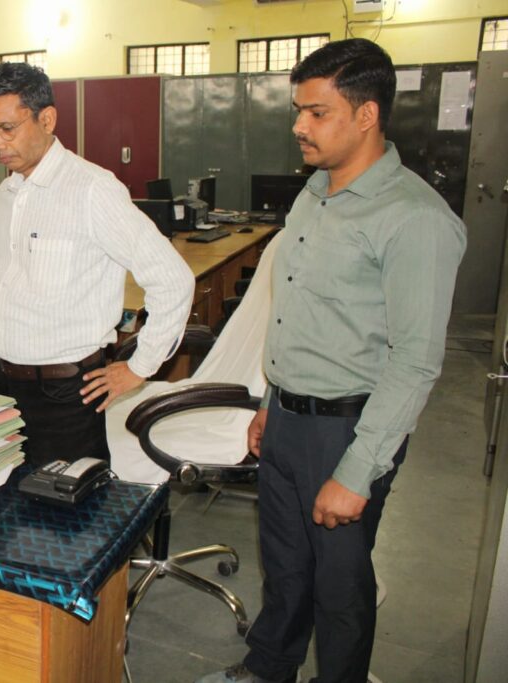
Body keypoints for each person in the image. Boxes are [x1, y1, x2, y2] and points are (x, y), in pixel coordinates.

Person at [197, 39, 466, 683]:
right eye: (299, 110)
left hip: (350, 428)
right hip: (288, 420)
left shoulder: (414, 219)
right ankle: (270, 668)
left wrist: (358, 471)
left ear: (367, 115)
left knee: (340, 586)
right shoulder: (313, 194)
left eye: (317, 113)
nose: (299, 125)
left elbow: (415, 362)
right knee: (286, 565)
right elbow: (297, 314)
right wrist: (272, 402)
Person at [0, 62, 194, 466]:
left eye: (7, 128)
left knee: (65, 504)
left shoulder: (92, 189)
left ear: (47, 120)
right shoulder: (6, 194)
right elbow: (5, 287)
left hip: (65, 396)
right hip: (5, 387)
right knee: (7, 498)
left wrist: (140, 366)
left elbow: (173, 279)